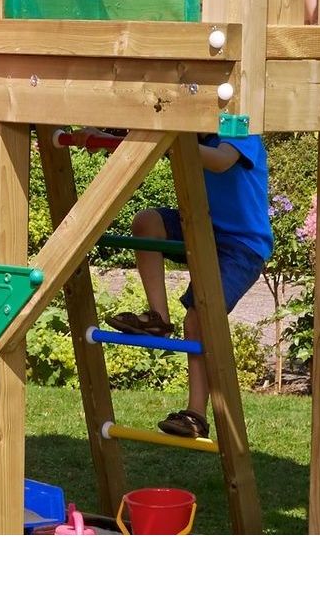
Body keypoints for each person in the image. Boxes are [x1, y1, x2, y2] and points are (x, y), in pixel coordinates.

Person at [99, 131, 273, 441]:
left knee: (198, 318)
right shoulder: (188, 136)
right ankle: (157, 318)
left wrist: (174, 142)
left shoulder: (238, 129)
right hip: (199, 226)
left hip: (242, 247)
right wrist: (100, 137)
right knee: (147, 222)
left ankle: (196, 414)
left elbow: (221, 162)